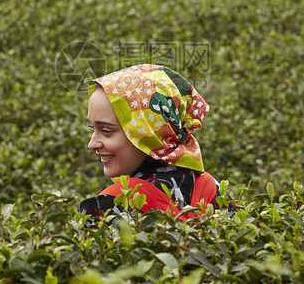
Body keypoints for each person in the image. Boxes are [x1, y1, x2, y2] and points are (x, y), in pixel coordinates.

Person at [78, 64, 232, 222]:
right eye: (92, 128)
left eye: (106, 131)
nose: (92, 144)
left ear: (147, 132)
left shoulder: (109, 207)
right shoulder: (214, 190)